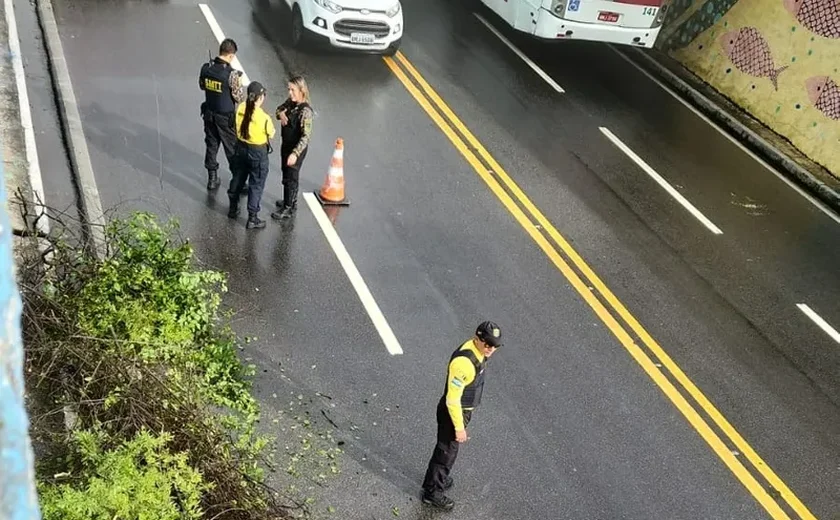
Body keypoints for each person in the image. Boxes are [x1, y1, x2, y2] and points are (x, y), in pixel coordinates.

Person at [421, 321, 503, 511]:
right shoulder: (464, 363)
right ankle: (432, 493)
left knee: (446, 451)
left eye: (495, 345)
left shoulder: (478, 352)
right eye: (487, 344)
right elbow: (452, 400)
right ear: (477, 339)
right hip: (453, 413)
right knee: (446, 454)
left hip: (460, 410)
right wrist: (459, 428)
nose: (491, 349)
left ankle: (435, 479)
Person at [227, 81, 276, 230]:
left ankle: (233, 208)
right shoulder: (264, 118)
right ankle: (252, 218)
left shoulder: (241, 108)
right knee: (256, 184)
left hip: (241, 148)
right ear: (260, 98)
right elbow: (271, 134)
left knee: (238, 177)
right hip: (258, 153)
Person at [199, 38, 245, 191]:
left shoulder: (206, 68)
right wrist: (238, 79)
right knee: (232, 149)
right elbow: (239, 97)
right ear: (231, 55)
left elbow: (202, 86)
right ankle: (238, 181)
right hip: (226, 118)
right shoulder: (232, 75)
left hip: (209, 114)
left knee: (211, 146)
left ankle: (212, 179)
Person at [271, 75, 313, 220]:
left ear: (301, 90)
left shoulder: (305, 112)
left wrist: (295, 153)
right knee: (286, 174)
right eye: (289, 89)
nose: (290, 93)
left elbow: (305, 136)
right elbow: (278, 110)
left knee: (291, 177)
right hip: (286, 145)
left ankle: (288, 208)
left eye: (293, 90)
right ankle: (290, 200)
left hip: (296, 149)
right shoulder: (290, 103)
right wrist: (281, 114)